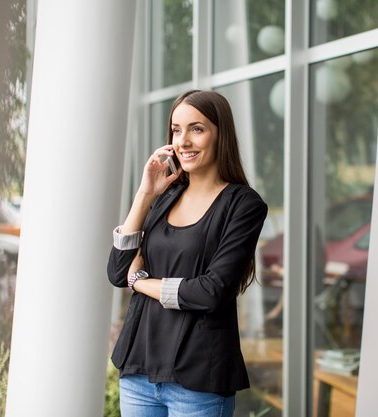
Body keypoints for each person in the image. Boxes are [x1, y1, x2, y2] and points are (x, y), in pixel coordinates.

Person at [107, 90, 268, 417]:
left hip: (199, 378)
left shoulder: (243, 205)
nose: (184, 141)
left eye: (197, 128)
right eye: (176, 130)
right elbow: (116, 271)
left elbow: (211, 292)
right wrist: (145, 194)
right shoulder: (165, 196)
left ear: (220, 133)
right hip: (139, 370)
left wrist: (140, 283)